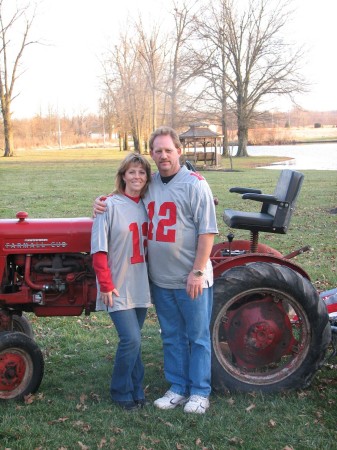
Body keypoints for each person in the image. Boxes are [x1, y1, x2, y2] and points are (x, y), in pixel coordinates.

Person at [94, 126, 218, 414]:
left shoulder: (195, 183)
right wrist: (101, 203)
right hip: (160, 279)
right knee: (171, 335)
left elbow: (207, 231)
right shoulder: (151, 184)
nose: (163, 156)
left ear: (179, 151)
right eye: (158, 151)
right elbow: (126, 196)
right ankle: (177, 387)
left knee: (197, 336)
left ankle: (199, 391)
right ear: (153, 154)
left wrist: (198, 271)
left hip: (191, 277)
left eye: (168, 150)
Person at [91, 153, 152, 411]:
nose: (136, 176)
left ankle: (136, 388)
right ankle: (120, 390)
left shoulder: (149, 204)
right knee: (131, 340)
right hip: (117, 283)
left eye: (141, 172)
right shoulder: (109, 205)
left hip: (141, 282)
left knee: (135, 339)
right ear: (123, 175)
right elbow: (99, 249)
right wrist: (105, 284)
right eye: (132, 172)